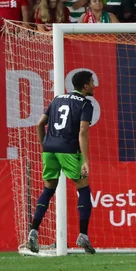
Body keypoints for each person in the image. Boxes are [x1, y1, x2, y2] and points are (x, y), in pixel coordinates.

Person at [27, 70, 97, 255]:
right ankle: (83, 234)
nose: (94, 85)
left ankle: (34, 230)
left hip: (50, 150)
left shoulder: (57, 99)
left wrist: (45, 146)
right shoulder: (85, 104)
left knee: (48, 190)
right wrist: (86, 160)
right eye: (91, 82)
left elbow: (39, 124)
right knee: (83, 189)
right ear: (84, 86)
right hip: (68, 150)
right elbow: (83, 131)